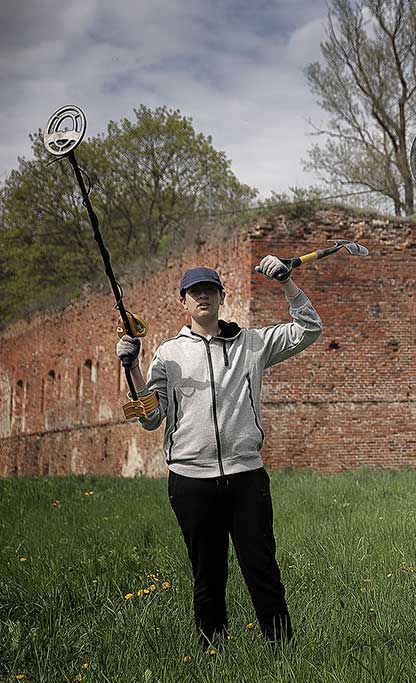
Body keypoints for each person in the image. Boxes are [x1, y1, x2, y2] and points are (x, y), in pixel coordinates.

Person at [115, 257, 322, 647]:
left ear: (222, 297)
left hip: (247, 478)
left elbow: (310, 328)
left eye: (210, 290)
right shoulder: (168, 354)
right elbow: (150, 418)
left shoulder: (253, 343)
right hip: (191, 481)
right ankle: (214, 653)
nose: (203, 296)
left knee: (262, 569)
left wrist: (287, 283)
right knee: (207, 574)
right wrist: (133, 366)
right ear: (183, 303)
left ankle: (283, 651)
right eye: (195, 292)